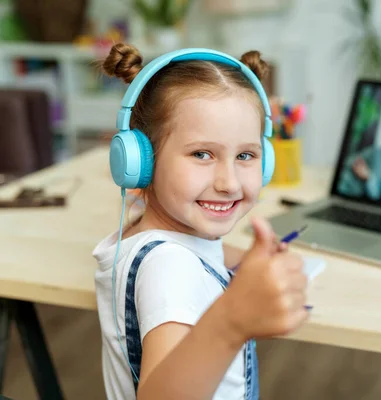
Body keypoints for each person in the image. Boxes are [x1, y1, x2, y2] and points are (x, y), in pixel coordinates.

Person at [92, 43, 309, 400]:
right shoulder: (170, 269)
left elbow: (197, 254)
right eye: (202, 154)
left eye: (245, 155)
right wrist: (231, 321)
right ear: (141, 161)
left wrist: (245, 261)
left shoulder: (154, 235)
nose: (229, 183)